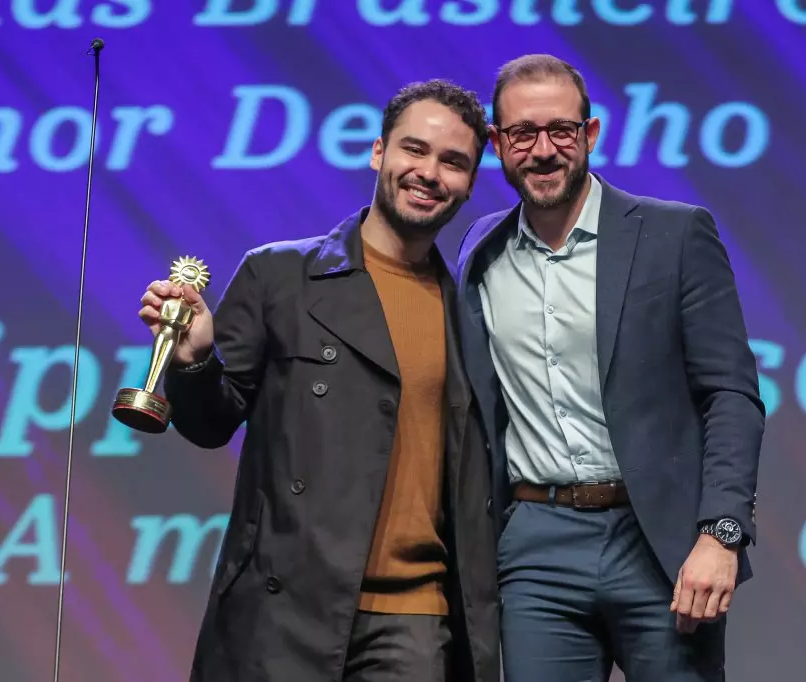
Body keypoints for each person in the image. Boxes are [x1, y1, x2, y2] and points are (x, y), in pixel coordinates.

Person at [138, 79, 500, 682]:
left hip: (415, 622)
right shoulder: (280, 274)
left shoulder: (473, 309)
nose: (429, 172)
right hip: (285, 611)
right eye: (414, 150)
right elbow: (209, 424)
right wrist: (195, 361)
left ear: (469, 181)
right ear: (378, 151)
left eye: (453, 162)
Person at [455, 54, 765, 682]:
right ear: (497, 144)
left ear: (589, 134)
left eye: (561, 131)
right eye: (522, 134)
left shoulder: (674, 234)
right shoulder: (478, 252)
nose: (543, 150)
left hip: (658, 542)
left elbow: (731, 394)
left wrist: (721, 534)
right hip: (535, 545)